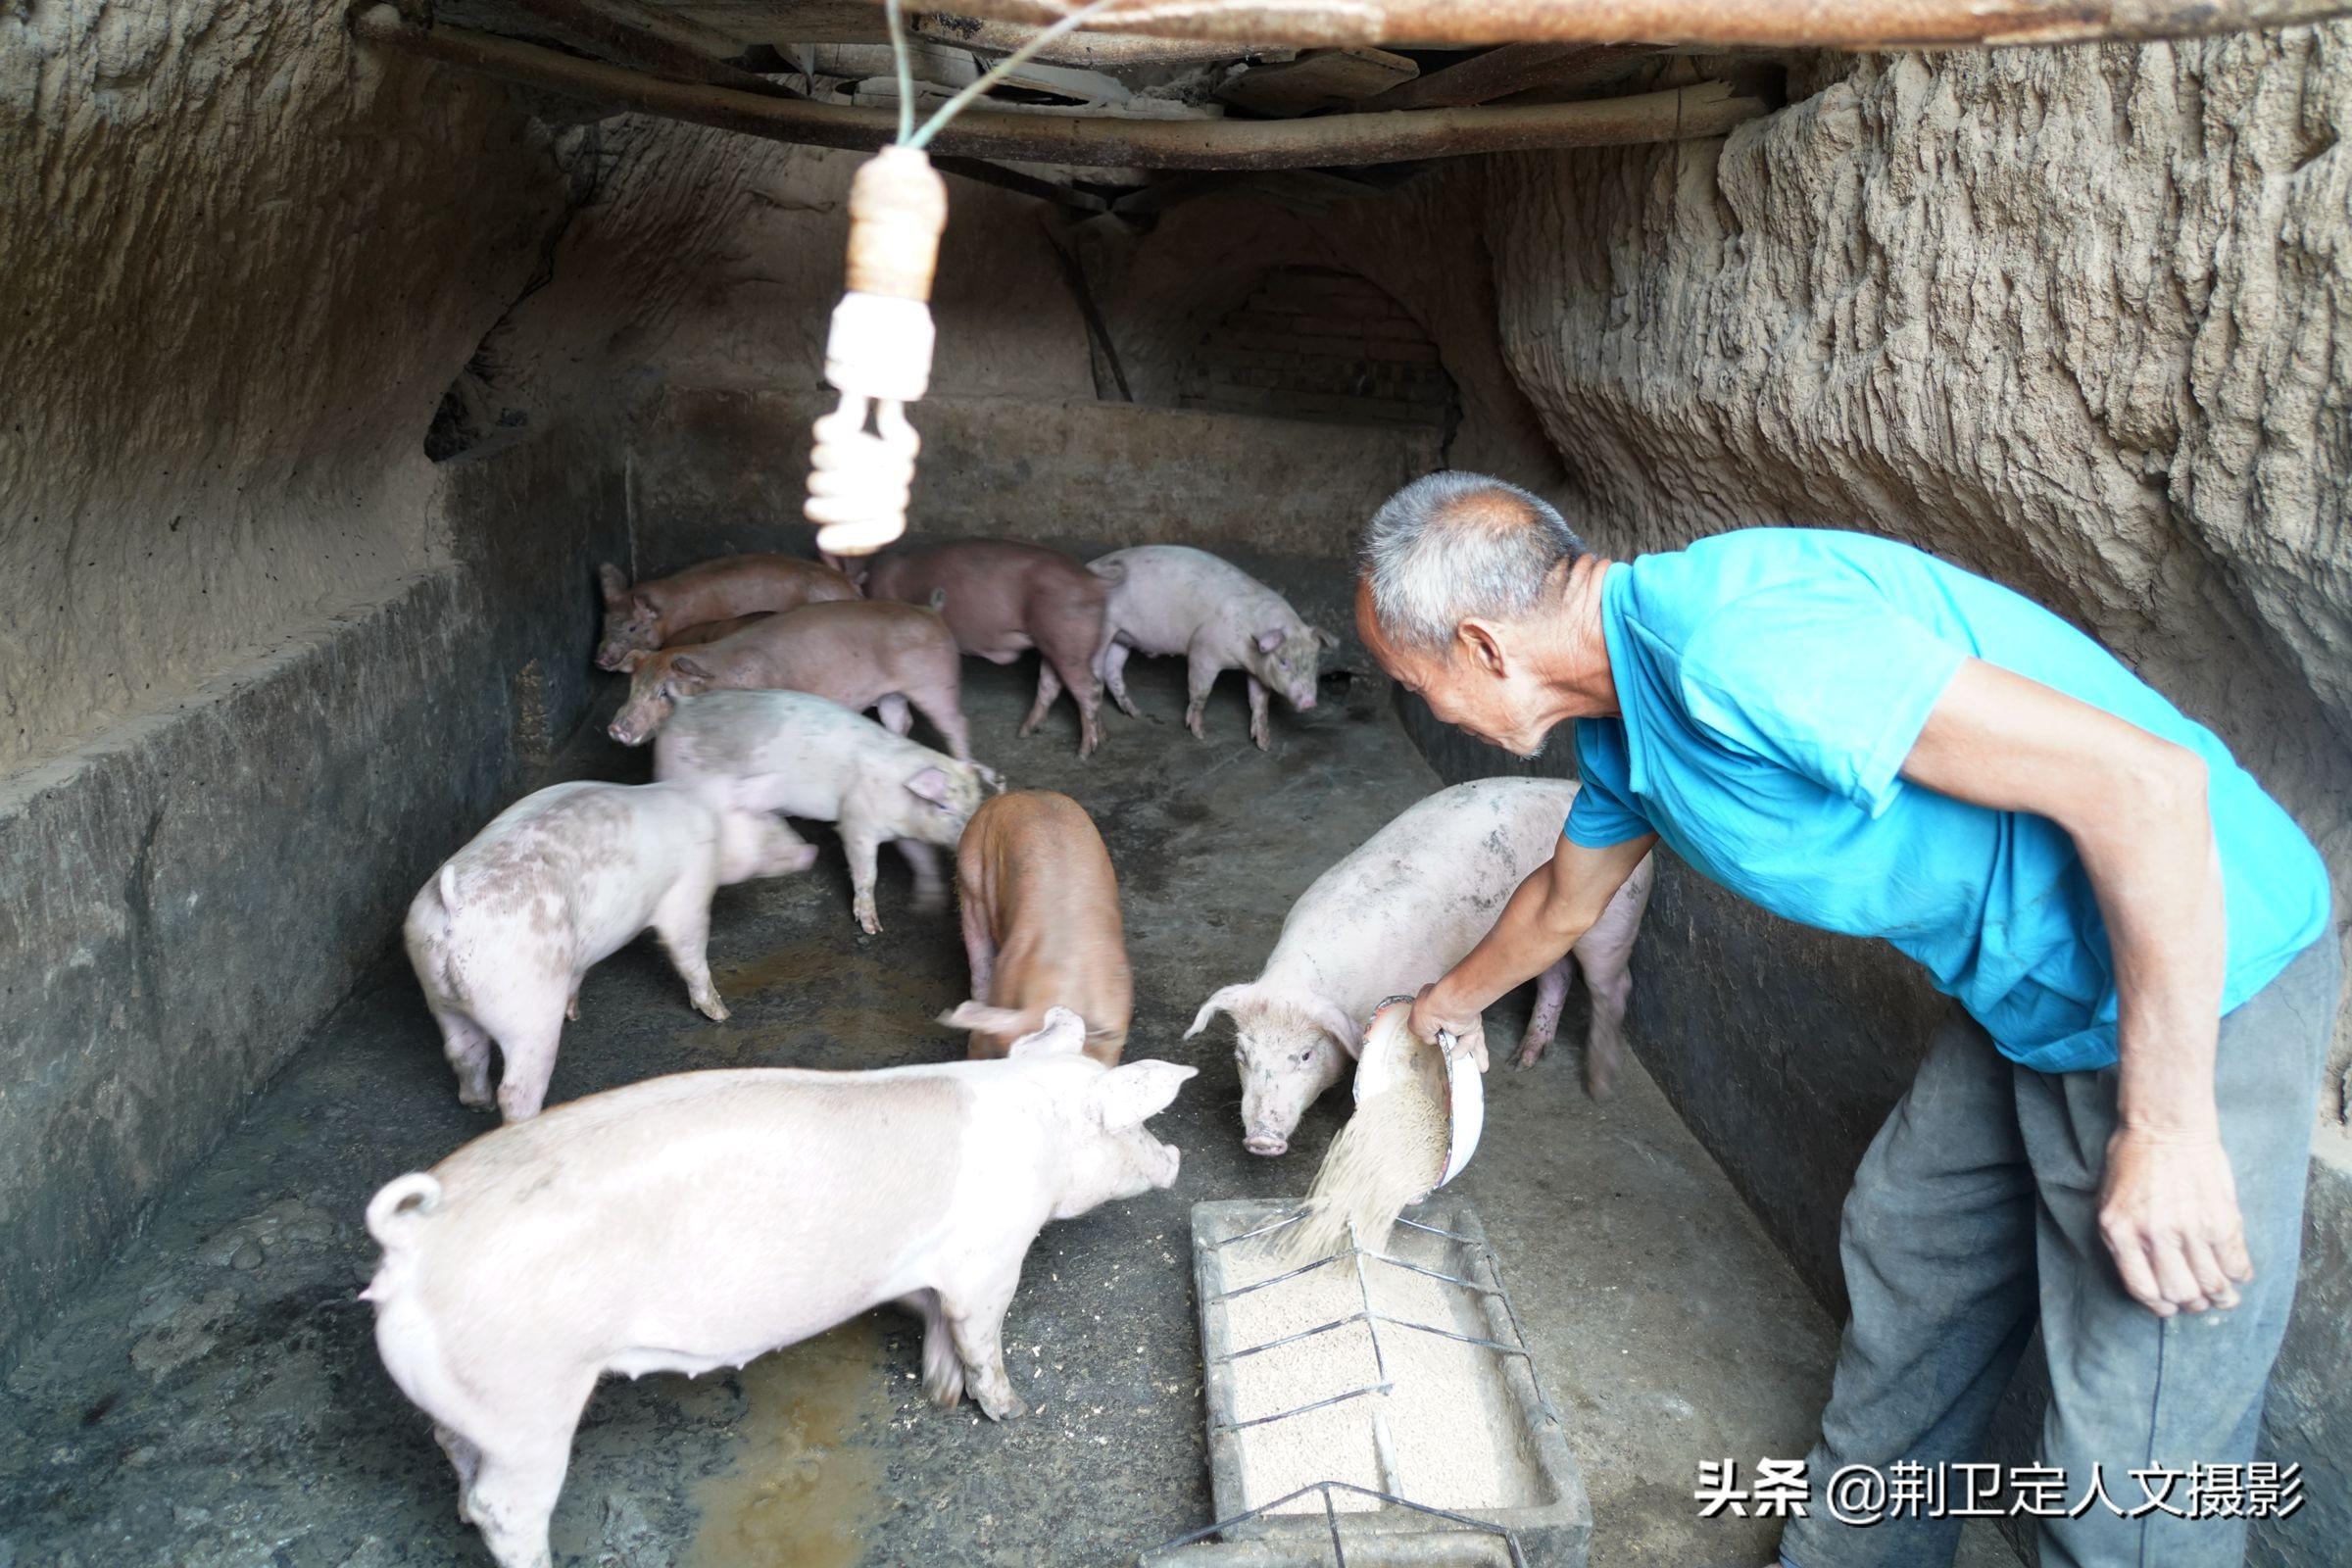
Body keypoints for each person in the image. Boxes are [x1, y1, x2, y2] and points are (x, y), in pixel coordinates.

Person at [1355, 470, 2336, 1568]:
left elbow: (2147, 790)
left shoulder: (1739, 642)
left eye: (1415, 681)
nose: (1429, 709)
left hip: (2196, 973)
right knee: (1914, 1239)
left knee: (2138, 1432)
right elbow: (1562, 902)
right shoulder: (1623, 728)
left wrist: (2164, 1128)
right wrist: (1432, 1014)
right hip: (2025, 992)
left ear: (1482, 647)